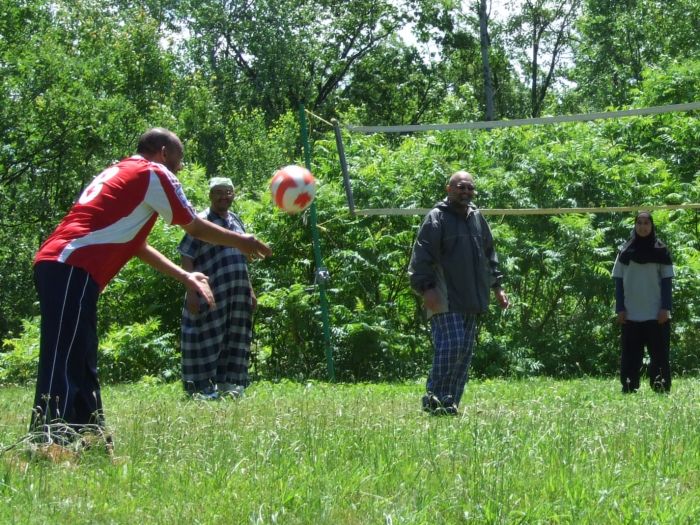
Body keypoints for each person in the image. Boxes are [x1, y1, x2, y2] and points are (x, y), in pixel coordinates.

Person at [30, 128, 272, 446]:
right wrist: (243, 240)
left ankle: (89, 439)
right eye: (179, 159)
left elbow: (136, 245)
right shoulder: (154, 172)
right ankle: (50, 441)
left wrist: (185, 276)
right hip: (70, 263)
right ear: (162, 152)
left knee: (82, 356)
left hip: (69, 268)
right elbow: (195, 227)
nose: (181, 167)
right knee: (63, 356)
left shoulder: (121, 171)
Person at [408, 170, 509, 415]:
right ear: (448, 189)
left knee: (463, 351)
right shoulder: (436, 218)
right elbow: (421, 256)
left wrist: (497, 287)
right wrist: (426, 289)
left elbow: (489, 255)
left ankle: (449, 402)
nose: (465, 192)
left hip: (471, 296)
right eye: (460, 187)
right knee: (451, 344)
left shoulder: (476, 217)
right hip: (444, 296)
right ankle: (434, 397)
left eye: (469, 188)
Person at [179, 177, 256, 399]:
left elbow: (243, 258)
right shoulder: (201, 222)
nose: (224, 196)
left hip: (237, 292)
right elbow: (186, 255)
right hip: (210, 292)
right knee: (204, 338)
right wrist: (191, 291)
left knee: (236, 337)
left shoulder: (236, 221)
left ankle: (230, 384)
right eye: (219, 192)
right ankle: (201, 388)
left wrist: (250, 290)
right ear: (211, 195)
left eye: (228, 192)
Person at [612, 211, 674, 393]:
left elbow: (666, 282)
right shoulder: (624, 251)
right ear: (635, 225)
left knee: (660, 355)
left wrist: (665, 308)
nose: (643, 226)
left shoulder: (661, 251)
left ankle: (661, 387)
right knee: (630, 355)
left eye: (646, 223)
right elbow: (618, 281)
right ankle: (629, 387)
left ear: (652, 226)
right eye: (639, 223)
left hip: (656, 314)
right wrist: (620, 309)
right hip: (631, 313)